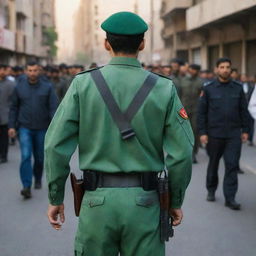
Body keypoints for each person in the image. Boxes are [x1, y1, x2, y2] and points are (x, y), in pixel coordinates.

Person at [45, 12, 193, 256]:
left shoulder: (83, 84)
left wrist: (55, 196)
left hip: (96, 204)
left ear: (106, 43)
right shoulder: (163, 88)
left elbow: (54, 145)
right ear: (142, 44)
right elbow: (183, 153)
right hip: (145, 204)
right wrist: (174, 202)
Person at [197, 57, 250, 210]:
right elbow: (202, 112)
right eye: (222, 67)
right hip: (214, 134)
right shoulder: (208, 88)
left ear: (231, 69)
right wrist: (203, 132)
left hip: (233, 134)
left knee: (232, 165)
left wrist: (246, 130)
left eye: (228, 67)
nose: (225, 69)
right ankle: (211, 190)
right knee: (213, 164)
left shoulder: (238, 88)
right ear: (217, 69)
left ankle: (230, 197)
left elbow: (243, 110)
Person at [8, 61, 57, 199]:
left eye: (35, 70)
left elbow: (53, 108)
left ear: (39, 71)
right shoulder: (19, 87)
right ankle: (26, 186)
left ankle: (38, 178)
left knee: (40, 157)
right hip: (24, 128)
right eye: (29, 70)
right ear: (25, 71)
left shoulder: (47, 87)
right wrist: (12, 126)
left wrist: (54, 126)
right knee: (25, 156)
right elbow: (13, 108)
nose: (32, 73)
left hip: (42, 128)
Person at [180, 64, 203, 163]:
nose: (192, 71)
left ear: (197, 71)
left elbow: (203, 96)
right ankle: (183, 152)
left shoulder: (201, 82)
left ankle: (193, 153)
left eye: (194, 70)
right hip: (183, 110)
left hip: (196, 110)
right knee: (183, 131)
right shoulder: (183, 81)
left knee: (194, 131)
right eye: (191, 69)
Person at [0, 64, 15, 163]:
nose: (2, 72)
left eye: (3, 70)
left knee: (4, 138)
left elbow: (14, 101)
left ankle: (4, 155)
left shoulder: (11, 84)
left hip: (5, 114)